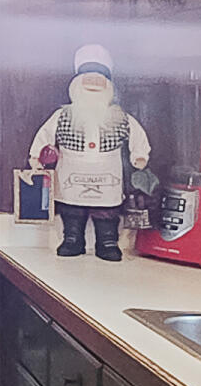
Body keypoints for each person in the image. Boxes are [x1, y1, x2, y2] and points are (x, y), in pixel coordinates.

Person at [24, 44, 153, 259]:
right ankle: (72, 239)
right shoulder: (62, 115)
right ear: (76, 85)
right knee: (72, 209)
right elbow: (45, 134)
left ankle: (108, 242)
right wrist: (36, 156)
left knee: (107, 212)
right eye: (88, 81)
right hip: (71, 172)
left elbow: (137, 134)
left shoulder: (119, 117)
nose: (93, 85)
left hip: (107, 172)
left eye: (98, 81)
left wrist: (139, 155)